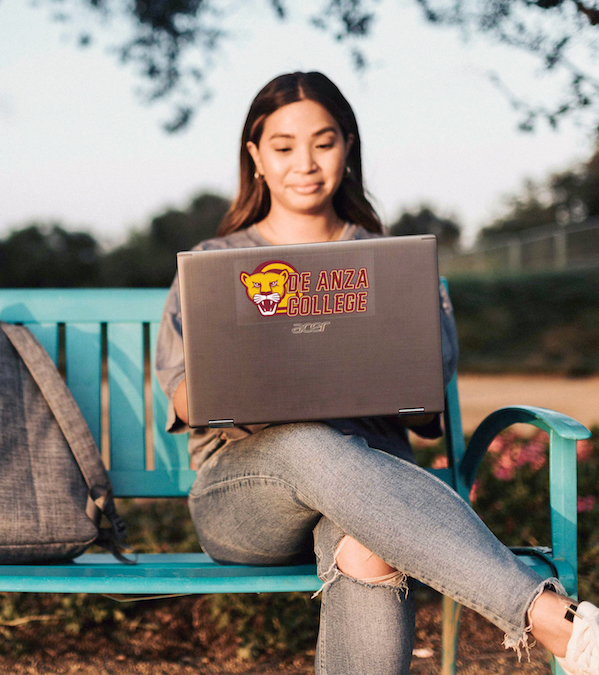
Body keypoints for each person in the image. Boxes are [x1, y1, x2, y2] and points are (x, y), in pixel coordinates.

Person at [155, 71, 599, 675]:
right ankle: (549, 618)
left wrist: (388, 368)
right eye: (283, 147)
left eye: (324, 141)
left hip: (372, 496)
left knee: (367, 545)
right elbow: (182, 400)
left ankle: (557, 627)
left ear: (348, 146)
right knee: (307, 440)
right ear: (256, 157)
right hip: (244, 500)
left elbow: (425, 420)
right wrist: (251, 372)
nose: (304, 163)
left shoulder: (396, 268)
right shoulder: (213, 266)